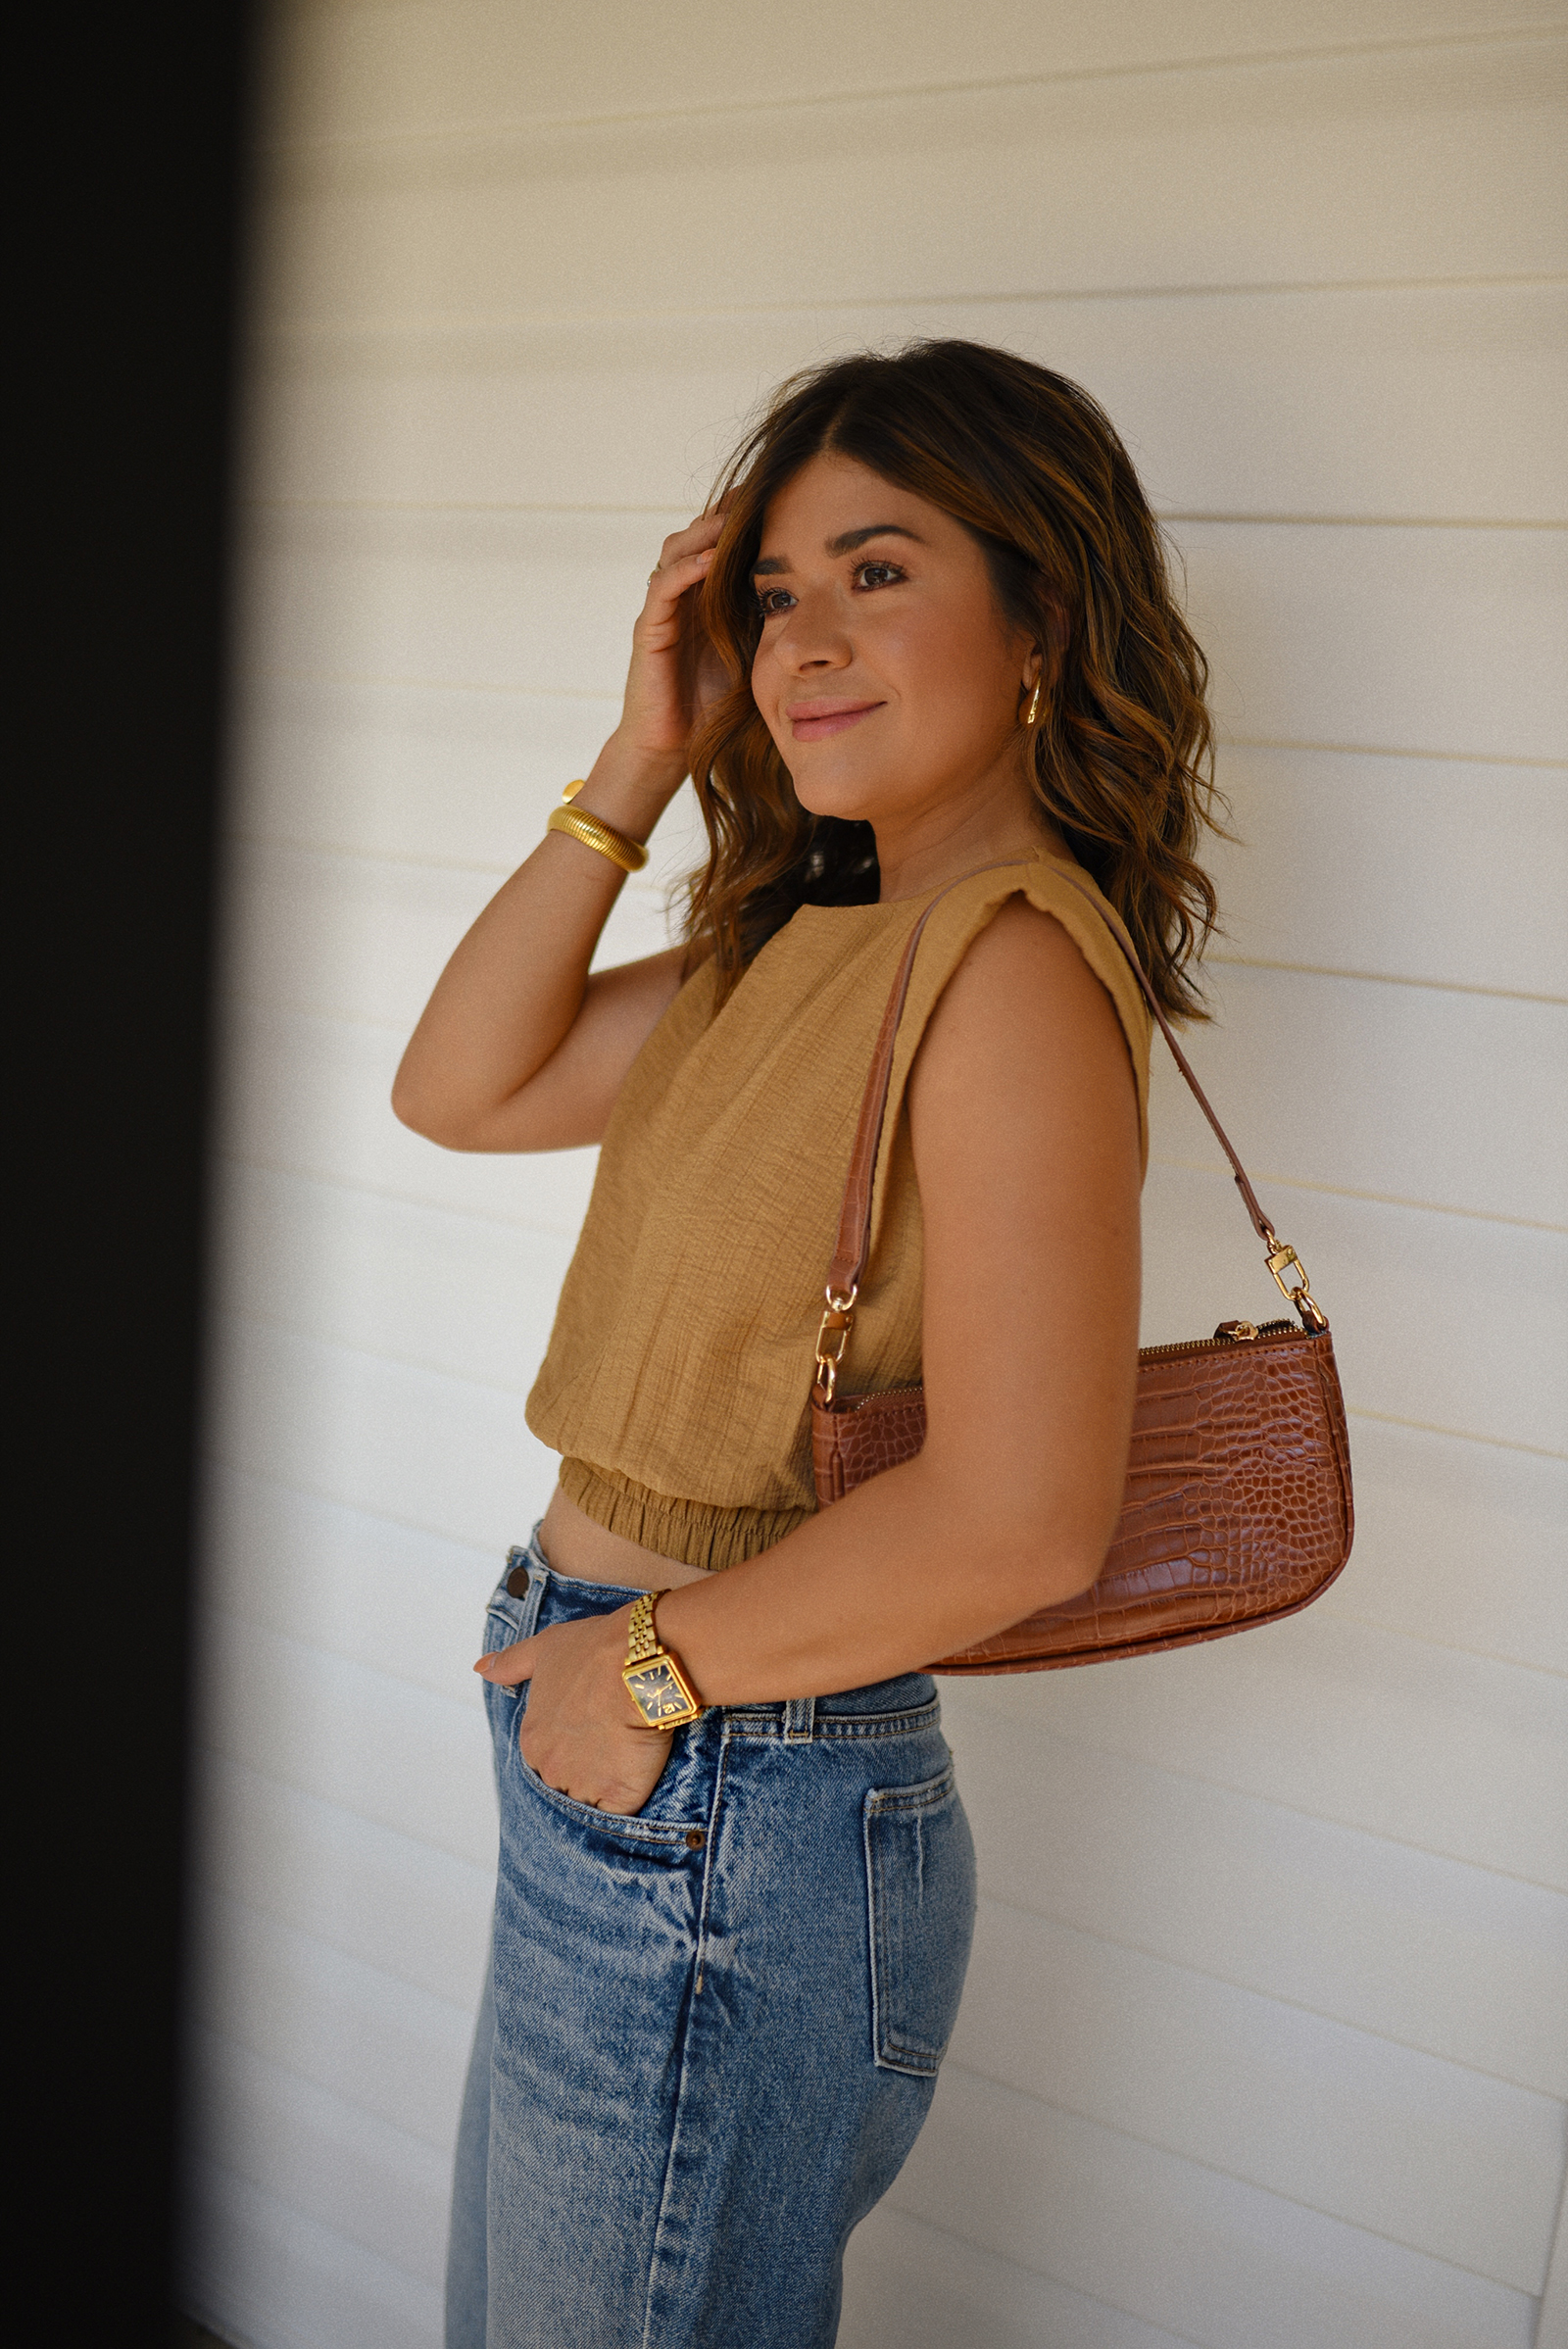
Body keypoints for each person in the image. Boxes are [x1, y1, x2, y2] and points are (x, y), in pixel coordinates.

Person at [393, 339, 1219, 2349]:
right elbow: (459, 1086)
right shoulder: (798, 929)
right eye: (769, 594)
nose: (801, 638)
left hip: (721, 1780)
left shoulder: (1007, 962)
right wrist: (634, 761)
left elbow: (1026, 1511)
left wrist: (640, 1675)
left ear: (1038, 619)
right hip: (643, 1756)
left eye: (875, 571)